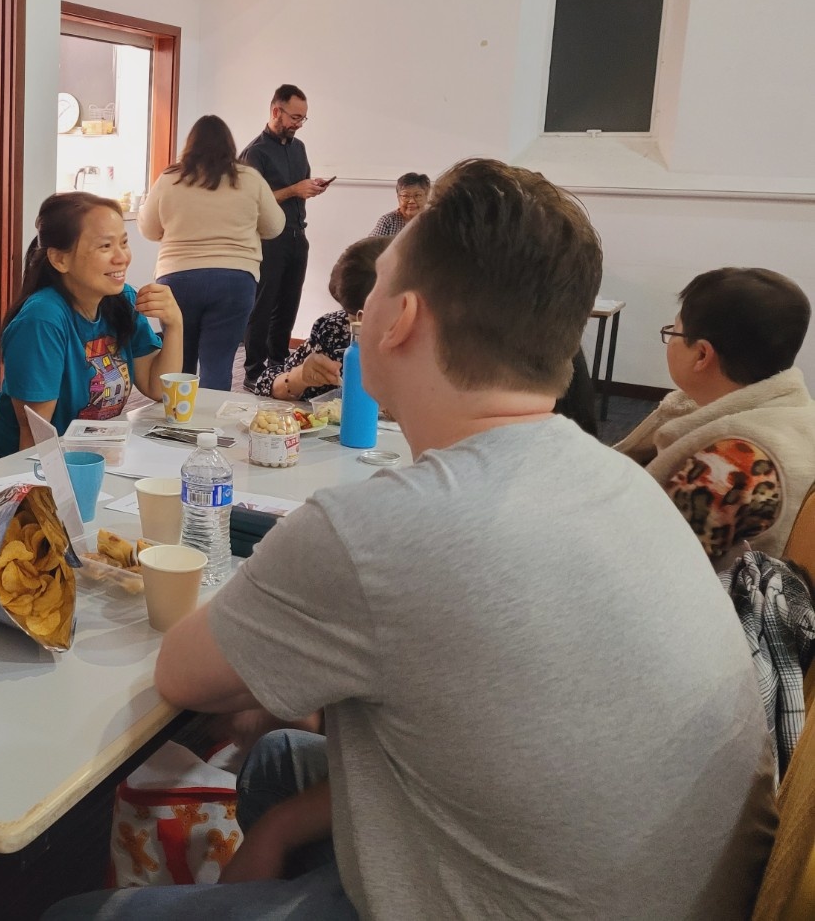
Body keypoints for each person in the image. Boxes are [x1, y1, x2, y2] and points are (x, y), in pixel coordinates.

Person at [48, 158, 774, 920]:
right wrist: (286, 802)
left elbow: (182, 674)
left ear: (400, 320)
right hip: (649, 883)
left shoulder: (376, 531)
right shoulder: (623, 480)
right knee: (277, 758)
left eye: (374, 291)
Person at [616, 267, 815, 567]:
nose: (669, 341)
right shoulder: (798, 415)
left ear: (702, 355)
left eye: (673, 331)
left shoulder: (728, 463)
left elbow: (646, 564)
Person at [0, 192, 183, 460]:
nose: (122, 257)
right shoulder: (42, 321)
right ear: (60, 259)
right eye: (105, 246)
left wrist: (174, 324)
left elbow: (157, 388)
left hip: (85, 452)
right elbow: (35, 439)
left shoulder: (123, 301)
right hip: (13, 464)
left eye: (124, 242)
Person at [137, 115, 284, 391]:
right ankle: (212, 418)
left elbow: (147, 228)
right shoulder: (249, 178)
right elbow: (275, 226)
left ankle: (177, 416)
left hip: (177, 280)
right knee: (218, 364)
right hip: (235, 281)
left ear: (189, 145)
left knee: (178, 363)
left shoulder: (170, 179)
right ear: (230, 145)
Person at [239, 84, 333, 391]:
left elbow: (296, 189)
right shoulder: (255, 152)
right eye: (294, 117)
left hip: (297, 235)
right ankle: (253, 372)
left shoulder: (299, 147)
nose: (299, 124)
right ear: (276, 111)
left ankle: (278, 364)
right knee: (262, 305)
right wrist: (294, 190)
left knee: (288, 304)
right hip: (268, 239)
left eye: (303, 118)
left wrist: (311, 187)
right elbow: (253, 201)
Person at [250, 236, 388, 402]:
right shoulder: (333, 329)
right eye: (353, 317)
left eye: (372, 317)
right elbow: (265, 385)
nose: (359, 328)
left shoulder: (416, 350)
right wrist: (299, 377)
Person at [369, 172, 430, 236]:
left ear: (426, 197)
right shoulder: (388, 221)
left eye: (417, 195)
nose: (411, 201)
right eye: (405, 196)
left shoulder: (433, 221)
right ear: (398, 198)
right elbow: (372, 242)